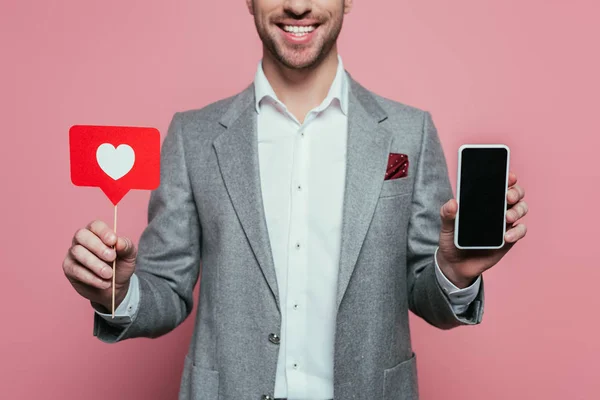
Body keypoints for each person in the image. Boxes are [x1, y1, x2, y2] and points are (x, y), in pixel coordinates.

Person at [62, 1, 528, 399]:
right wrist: (119, 292)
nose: (298, 6)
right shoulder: (193, 136)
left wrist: (455, 272)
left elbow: (426, 293)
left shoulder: (409, 132)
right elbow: (167, 287)